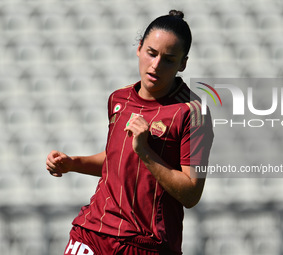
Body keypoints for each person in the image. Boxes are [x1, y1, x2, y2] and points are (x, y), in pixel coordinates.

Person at [46, 10, 214, 255]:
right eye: (151, 53)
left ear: (183, 63)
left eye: (168, 59)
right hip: (93, 230)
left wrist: (145, 151)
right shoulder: (119, 99)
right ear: (139, 49)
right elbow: (117, 159)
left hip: (145, 244)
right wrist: (72, 163)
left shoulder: (193, 113)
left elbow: (190, 193)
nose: (155, 65)